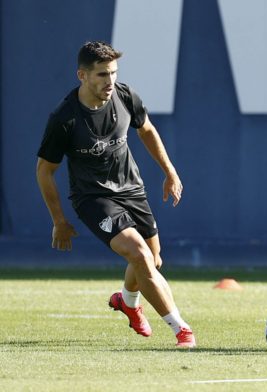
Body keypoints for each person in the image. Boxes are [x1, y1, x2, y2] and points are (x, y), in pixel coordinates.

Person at [36, 41, 196, 348]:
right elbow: (44, 170)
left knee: (154, 261)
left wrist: (169, 171)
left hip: (132, 189)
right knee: (139, 255)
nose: (109, 81)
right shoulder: (65, 119)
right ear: (82, 75)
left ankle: (126, 300)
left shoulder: (124, 95)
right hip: (93, 198)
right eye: (101, 75)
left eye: (113, 73)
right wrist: (59, 220)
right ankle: (181, 329)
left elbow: (146, 129)